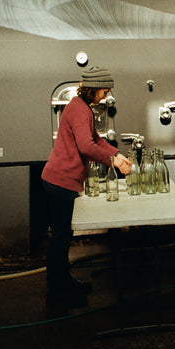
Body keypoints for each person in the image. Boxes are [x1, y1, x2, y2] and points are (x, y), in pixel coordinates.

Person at [41, 65, 132, 308]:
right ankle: (56, 292)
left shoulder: (81, 108)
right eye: (104, 91)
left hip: (62, 180)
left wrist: (117, 154)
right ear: (92, 89)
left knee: (64, 235)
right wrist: (112, 161)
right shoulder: (79, 110)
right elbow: (85, 146)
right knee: (60, 236)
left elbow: (96, 140)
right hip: (59, 180)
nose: (106, 96)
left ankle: (64, 283)